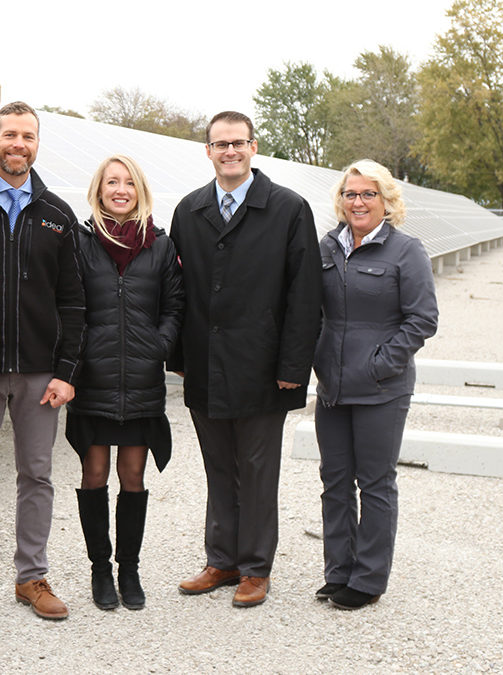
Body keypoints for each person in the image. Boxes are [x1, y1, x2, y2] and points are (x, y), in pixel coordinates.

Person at [170, 110, 322, 608]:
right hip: (206, 363)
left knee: (257, 470)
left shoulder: (288, 209)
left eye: (238, 142)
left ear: (253, 148)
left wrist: (292, 369)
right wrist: (179, 357)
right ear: (208, 151)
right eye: (220, 144)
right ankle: (221, 560)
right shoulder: (189, 210)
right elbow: (176, 292)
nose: (229, 151)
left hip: (262, 366)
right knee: (218, 466)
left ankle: (256, 567)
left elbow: (304, 296)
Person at [0, 101, 85, 623]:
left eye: (27, 136)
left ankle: (31, 577)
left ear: (36, 144)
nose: (18, 144)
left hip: (39, 375)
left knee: (37, 475)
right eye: (10, 135)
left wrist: (66, 372)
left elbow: (74, 302)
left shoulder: (57, 215)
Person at [313, 159, 438, 610]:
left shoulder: (406, 251)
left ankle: (367, 579)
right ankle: (339, 572)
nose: (358, 202)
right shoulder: (326, 247)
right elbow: (311, 311)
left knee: (376, 483)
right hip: (333, 387)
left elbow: (423, 319)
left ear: (386, 201)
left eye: (368, 194)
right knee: (335, 482)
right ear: (341, 201)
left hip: (382, 388)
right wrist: (316, 360)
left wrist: (382, 363)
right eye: (351, 194)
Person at [67, 155, 183, 611]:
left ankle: (128, 571)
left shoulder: (159, 244)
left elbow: (175, 307)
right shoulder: (80, 243)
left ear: (139, 190)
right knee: (93, 473)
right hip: (93, 380)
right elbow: (70, 305)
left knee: (132, 476)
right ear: (99, 190)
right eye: (111, 182)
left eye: (128, 182)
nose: (120, 189)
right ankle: (100, 570)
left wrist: (159, 345)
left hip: (141, 380)